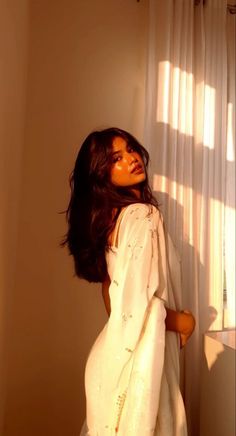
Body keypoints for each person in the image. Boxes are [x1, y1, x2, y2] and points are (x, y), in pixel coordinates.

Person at [61, 127, 195, 435]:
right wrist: (183, 321)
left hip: (112, 358)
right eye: (115, 159)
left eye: (131, 150)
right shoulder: (143, 216)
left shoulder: (114, 221)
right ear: (100, 174)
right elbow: (137, 306)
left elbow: (114, 298)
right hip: (140, 368)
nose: (131, 159)